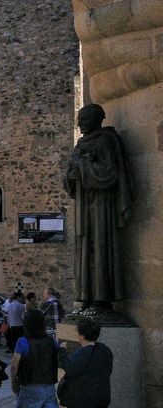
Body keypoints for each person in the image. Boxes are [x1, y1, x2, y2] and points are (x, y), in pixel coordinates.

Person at [66, 103, 132, 310]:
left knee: (101, 246)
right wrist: (71, 174)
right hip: (84, 204)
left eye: (83, 120)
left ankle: (102, 298)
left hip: (101, 205)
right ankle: (86, 296)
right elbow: (70, 173)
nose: (80, 124)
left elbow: (110, 173)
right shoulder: (80, 144)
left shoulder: (105, 141)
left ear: (95, 120)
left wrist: (82, 167)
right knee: (85, 247)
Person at [58, 318, 127, 408]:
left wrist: (62, 352)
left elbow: (70, 368)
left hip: (80, 399)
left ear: (81, 335)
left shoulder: (82, 353)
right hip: (100, 396)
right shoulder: (104, 350)